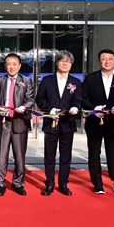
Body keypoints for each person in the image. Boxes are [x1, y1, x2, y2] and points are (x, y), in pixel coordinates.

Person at [81, 49, 114, 195]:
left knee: (113, 152)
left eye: (110, 59)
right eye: (104, 59)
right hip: (94, 120)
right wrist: (94, 108)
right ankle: (97, 183)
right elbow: (83, 98)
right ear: (99, 61)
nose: (107, 61)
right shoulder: (91, 78)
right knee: (94, 153)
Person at [35, 50, 81, 196]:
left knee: (65, 156)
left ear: (71, 64)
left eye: (68, 61)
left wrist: (75, 107)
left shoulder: (76, 82)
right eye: (62, 61)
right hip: (51, 123)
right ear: (57, 63)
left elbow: (78, 99)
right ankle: (49, 183)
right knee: (50, 154)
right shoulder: (47, 80)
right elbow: (39, 99)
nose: (65, 63)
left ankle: (63, 183)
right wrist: (49, 109)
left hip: (68, 122)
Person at [0, 53, 34, 196]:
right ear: (5, 66)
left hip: (20, 122)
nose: (12, 67)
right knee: (1, 156)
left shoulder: (27, 81)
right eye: (9, 64)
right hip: (3, 122)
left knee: (19, 156)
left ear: (19, 66)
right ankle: (0, 183)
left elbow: (31, 99)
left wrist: (24, 107)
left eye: (14, 64)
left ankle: (18, 183)